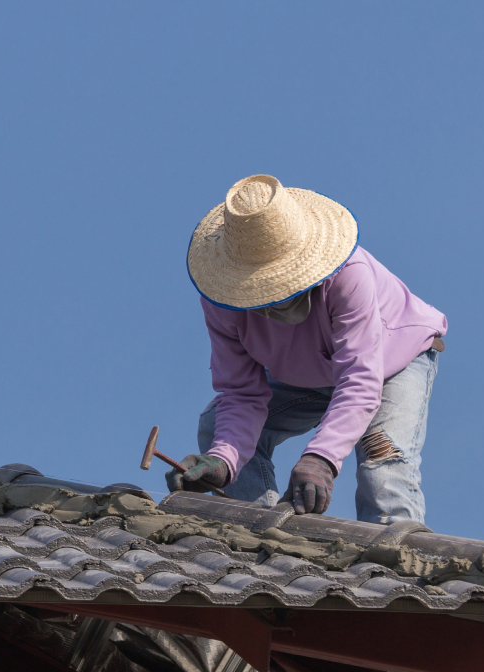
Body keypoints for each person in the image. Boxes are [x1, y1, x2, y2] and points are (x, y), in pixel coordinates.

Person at [166, 174, 447, 525]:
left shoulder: (347, 275)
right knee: (215, 427)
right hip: (307, 374)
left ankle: (396, 569)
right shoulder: (222, 302)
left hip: (390, 363)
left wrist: (321, 459)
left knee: (382, 467)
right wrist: (222, 462)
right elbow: (241, 393)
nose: (274, 302)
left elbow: (359, 380)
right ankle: (253, 534)